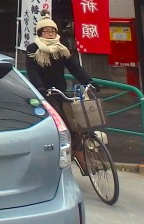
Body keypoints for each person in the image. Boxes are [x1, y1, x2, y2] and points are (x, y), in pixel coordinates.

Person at [26, 14, 94, 169]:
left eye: (52, 30)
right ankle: (58, 154)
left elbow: (74, 67)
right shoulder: (33, 49)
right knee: (58, 121)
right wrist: (40, 88)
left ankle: (76, 150)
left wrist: (88, 81)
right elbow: (32, 72)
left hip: (60, 90)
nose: (50, 33)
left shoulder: (61, 48)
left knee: (75, 122)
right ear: (40, 33)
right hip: (44, 92)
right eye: (46, 31)